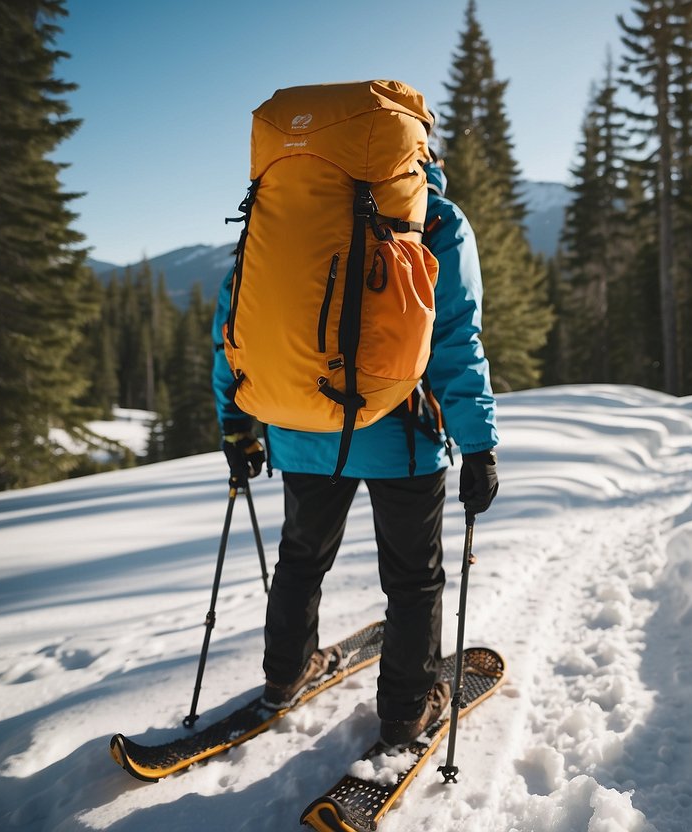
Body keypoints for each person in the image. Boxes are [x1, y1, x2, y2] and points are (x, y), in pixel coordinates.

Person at [210, 152, 499, 747]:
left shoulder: (281, 219)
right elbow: (453, 338)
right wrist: (478, 444)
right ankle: (406, 709)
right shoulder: (435, 219)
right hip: (402, 437)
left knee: (301, 560)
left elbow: (234, 328)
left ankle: (285, 675)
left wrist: (236, 428)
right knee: (413, 580)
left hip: (300, 428)